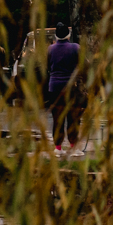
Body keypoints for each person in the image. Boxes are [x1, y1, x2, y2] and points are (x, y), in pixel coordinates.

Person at [47, 22, 83, 156]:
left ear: (56, 36)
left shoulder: (50, 49)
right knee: (73, 117)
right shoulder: (75, 48)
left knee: (57, 118)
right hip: (71, 88)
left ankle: (57, 148)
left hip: (54, 87)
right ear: (68, 35)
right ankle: (73, 147)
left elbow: (48, 68)